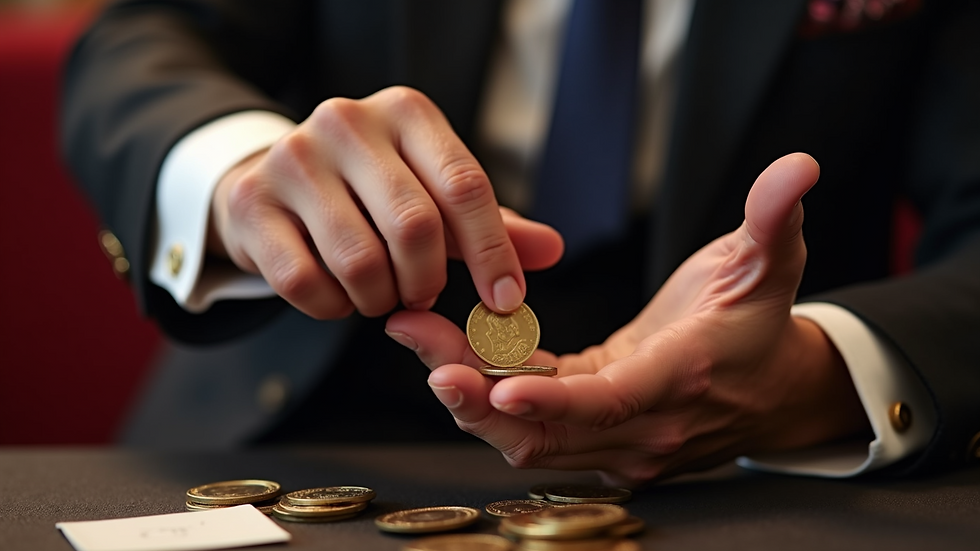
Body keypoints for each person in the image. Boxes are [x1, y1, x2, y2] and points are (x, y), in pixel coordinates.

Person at [61, 0, 980, 483]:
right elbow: (148, 35)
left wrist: (815, 373)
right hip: (305, 407)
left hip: (754, 456)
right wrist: (240, 173)